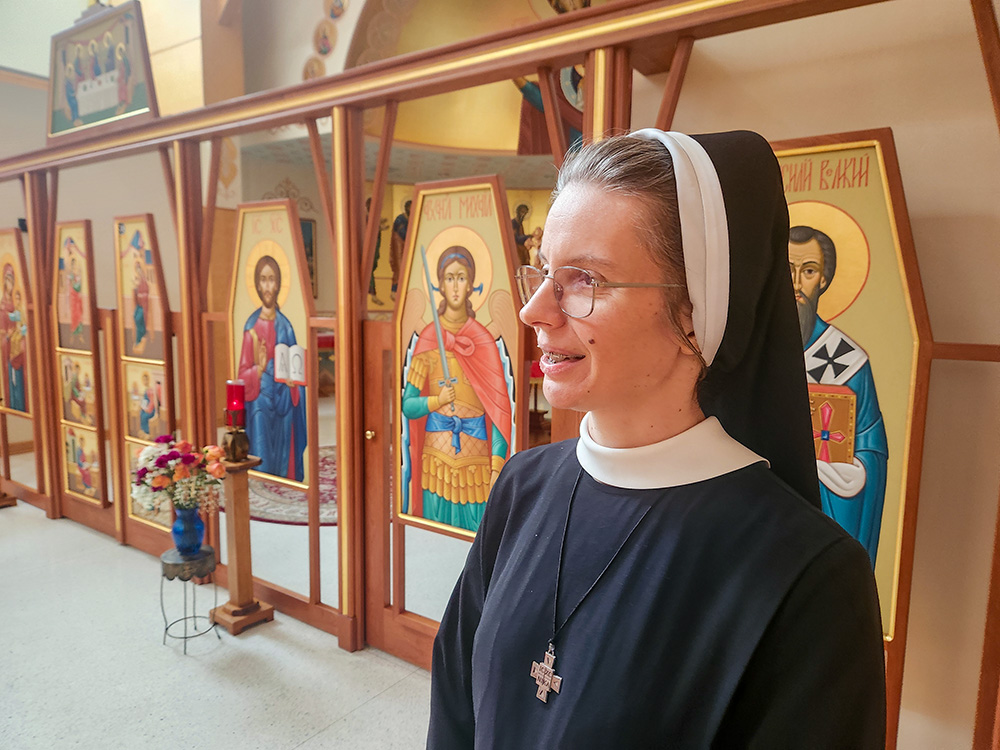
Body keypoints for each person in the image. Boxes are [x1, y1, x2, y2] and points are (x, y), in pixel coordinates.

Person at [427, 131, 886, 748]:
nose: (535, 310)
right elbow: (456, 708)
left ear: (696, 308)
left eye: (584, 279)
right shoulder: (522, 485)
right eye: (541, 271)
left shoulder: (810, 579)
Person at [789, 225, 889, 567]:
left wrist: (847, 475)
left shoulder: (847, 362)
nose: (797, 284)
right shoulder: (747, 352)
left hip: (819, 517)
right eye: (787, 269)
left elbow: (871, 451)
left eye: (809, 271)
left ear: (824, 281)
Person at [401, 246, 512, 533]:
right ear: (439, 284)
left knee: (478, 539)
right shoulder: (429, 338)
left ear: (472, 284)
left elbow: (498, 410)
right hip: (435, 460)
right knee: (434, 534)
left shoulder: (483, 341)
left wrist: (498, 466)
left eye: (461, 277)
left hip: (476, 464)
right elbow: (408, 405)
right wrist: (437, 400)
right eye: (449, 278)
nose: (455, 285)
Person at [237, 254, 308, 482]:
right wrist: (258, 370)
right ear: (257, 285)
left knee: (288, 407)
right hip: (260, 396)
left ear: (278, 284)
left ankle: (287, 478)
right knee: (257, 411)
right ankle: (262, 479)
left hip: (283, 395)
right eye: (263, 279)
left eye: (272, 279)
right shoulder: (251, 327)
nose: (268, 286)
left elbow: (296, 365)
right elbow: (242, 375)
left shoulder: (285, 326)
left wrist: (294, 385)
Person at [390, 200, 411, 300]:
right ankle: (394, 292)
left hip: (407, 247)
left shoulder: (412, 218)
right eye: (409, 208)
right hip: (399, 247)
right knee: (399, 269)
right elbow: (403, 233)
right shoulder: (400, 219)